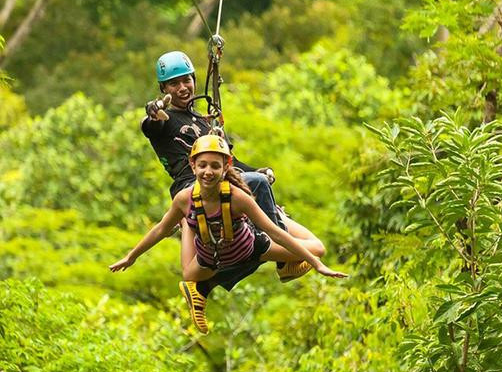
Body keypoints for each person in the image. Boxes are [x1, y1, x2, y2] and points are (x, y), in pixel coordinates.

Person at [140, 50, 315, 330]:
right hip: (195, 185)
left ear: (194, 80)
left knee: (252, 230)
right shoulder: (165, 120)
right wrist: (154, 111)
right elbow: (151, 126)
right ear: (164, 89)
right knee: (256, 197)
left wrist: (259, 169)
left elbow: (229, 164)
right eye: (173, 84)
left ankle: (205, 287)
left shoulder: (204, 122)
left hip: (220, 182)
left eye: (186, 80)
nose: (182, 88)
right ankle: (281, 258)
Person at [109, 135, 348, 333]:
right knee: (188, 273)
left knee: (317, 247)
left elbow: (273, 231)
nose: (208, 172)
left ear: (227, 167)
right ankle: (189, 225)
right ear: (193, 166)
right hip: (210, 260)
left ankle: (281, 218)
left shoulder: (238, 198)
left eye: (215, 166)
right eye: (202, 165)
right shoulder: (184, 199)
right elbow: (160, 229)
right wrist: (132, 256)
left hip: (253, 249)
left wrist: (316, 264)